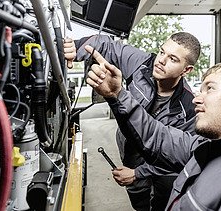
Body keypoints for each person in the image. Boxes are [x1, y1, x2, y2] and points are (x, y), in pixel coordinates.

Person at [85, 56, 221, 210]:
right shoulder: (206, 148)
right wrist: (117, 94)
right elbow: (155, 136)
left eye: (210, 89)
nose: (196, 99)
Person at [64, 32, 201, 210]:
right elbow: (108, 45)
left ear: (186, 70)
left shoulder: (188, 108)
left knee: (160, 201)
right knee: (137, 197)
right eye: (161, 52)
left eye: (173, 59)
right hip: (129, 151)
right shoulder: (143, 64)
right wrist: (77, 46)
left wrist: (138, 173)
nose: (161, 60)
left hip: (156, 168)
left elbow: (177, 158)